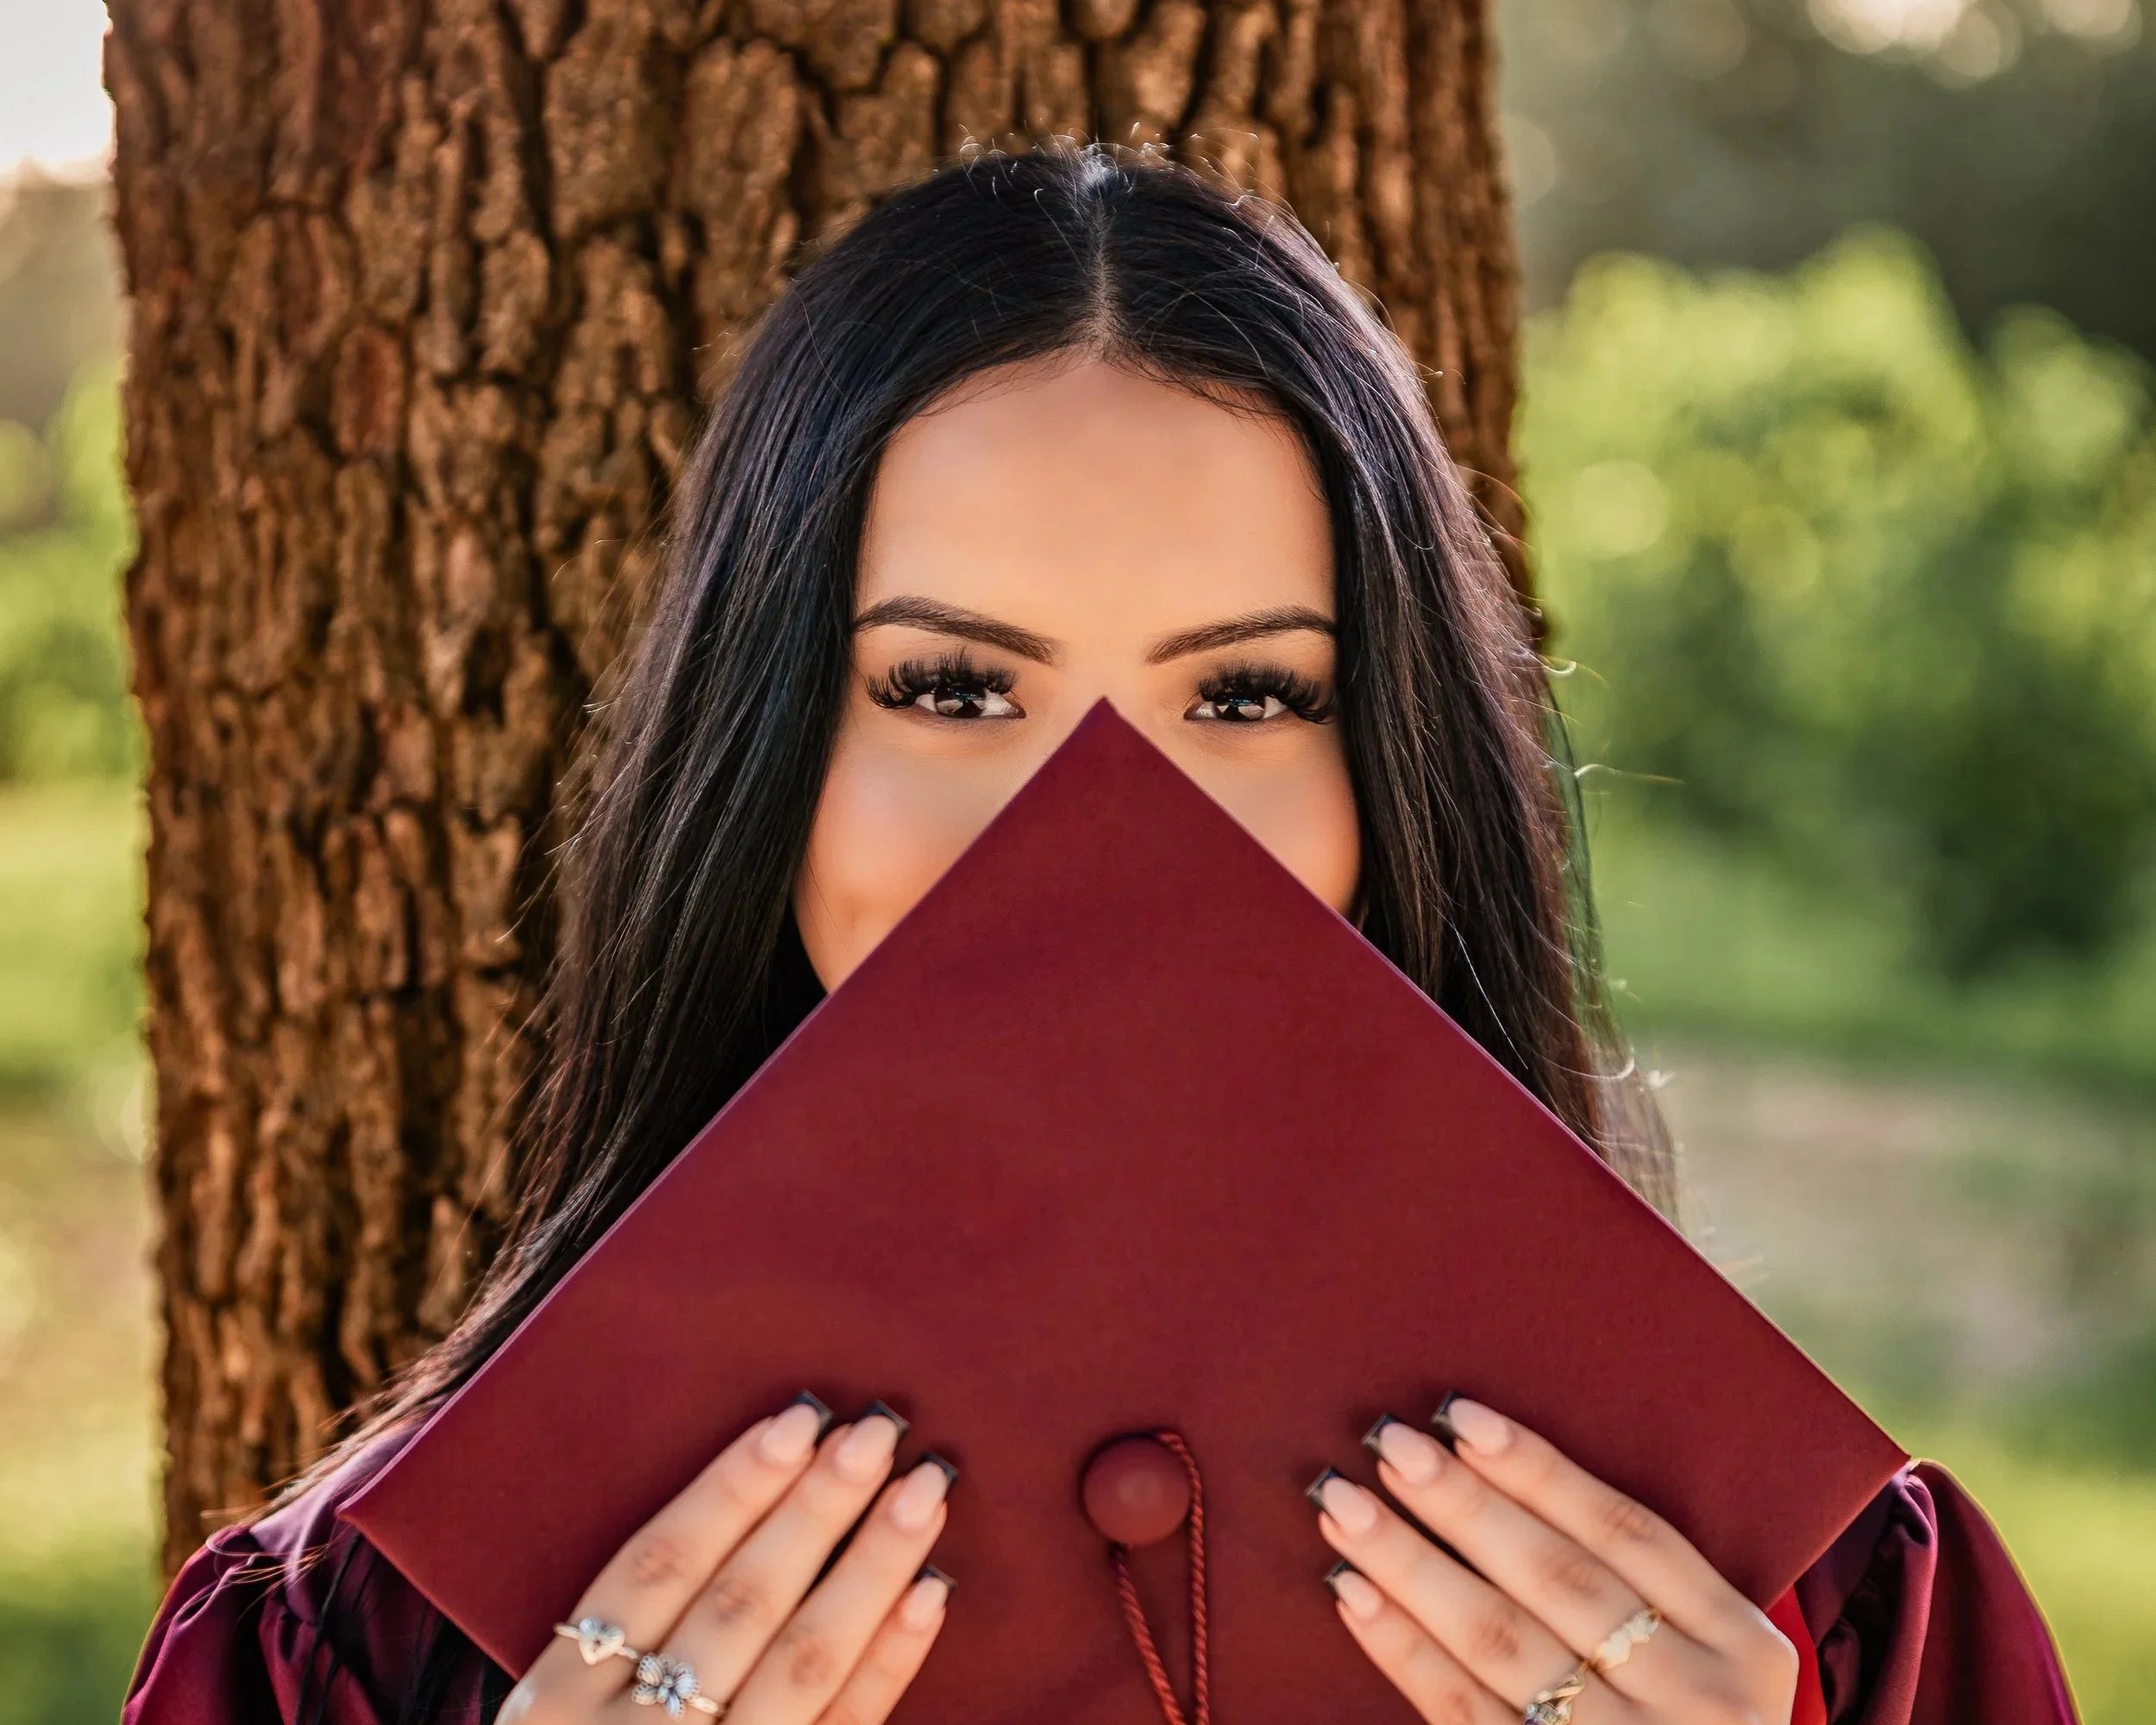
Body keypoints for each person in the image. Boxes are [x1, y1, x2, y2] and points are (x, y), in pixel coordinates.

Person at [124, 145, 2077, 1725]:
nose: (1094, 832)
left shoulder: (1823, 1624)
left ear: (1393, 781)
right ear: (765, 765)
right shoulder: (355, 1661)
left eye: (1240, 700)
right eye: (955, 689)